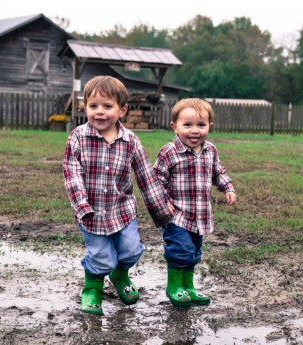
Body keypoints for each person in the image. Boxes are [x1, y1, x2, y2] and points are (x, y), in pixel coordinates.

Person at [62, 76, 172, 315]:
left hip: (122, 211)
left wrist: (161, 210)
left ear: (122, 110)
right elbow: (72, 174)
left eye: (107, 106)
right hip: (92, 212)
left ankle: (120, 275)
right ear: (85, 108)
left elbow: (145, 175)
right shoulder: (78, 137)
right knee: (101, 256)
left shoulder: (130, 140)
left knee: (131, 250)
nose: (99, 112)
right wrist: (82, 205)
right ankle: (92, 288)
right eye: (94, 106)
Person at [153, 98, 237, 308]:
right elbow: (156, 180)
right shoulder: (168, 152)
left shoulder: (211, 151)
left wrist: (227, 187)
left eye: (201, 125)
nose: (194, 131)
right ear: (175, 126)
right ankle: (174, 286)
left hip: (200, 214)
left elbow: (218, 172)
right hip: (177, 215)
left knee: (194, 252)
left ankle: (188, 286)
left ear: (210, 126)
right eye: (187, 125)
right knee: (180, 250)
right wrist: (163, 202)